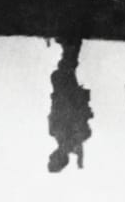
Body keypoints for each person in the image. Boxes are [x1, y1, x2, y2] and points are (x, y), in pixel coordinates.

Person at [47, 38, 93, 173]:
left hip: (62, 98)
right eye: (52, 160)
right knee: (65, 71)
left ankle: (70, 45)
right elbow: (82, 130)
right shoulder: (71, 143)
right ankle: (72, 42)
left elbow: (53, 116)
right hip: (70, 99)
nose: (51, 156)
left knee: (62, 72)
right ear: (59, 159)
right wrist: (79, 158)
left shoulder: (59, 139)